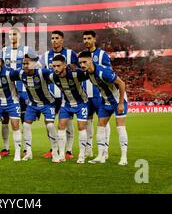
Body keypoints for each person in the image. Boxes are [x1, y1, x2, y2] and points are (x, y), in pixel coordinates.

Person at [78, 51, 129, 166]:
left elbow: (122, 84)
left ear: (91, 60)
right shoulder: (88, 73)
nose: (82, 65)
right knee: (100, 128)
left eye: (84, 62)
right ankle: (101, 156)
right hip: (105, 102)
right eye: (80, 63)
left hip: (117, 101)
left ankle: (124, 157)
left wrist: (121, 103)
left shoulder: (103, 71)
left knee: (120, 127)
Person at [40, 30, 78, 160]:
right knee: (48, 123)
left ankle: (68, 150)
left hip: (65, 95)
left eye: (57, 38)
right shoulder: (45, 55)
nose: (54, 40)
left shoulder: (70, 54)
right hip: (49, 95)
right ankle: (53, 148)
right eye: (52, 38)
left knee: (67, 123)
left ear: (62, 40)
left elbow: (77, 70)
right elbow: (39, 71)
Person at [0, 27, 36, 157]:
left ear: (20, 36)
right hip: (7, 91)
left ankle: (27, 148)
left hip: (24, 90)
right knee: (5, 120)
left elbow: (36, 65)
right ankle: (5, 148)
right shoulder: (3, 51)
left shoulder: (27, 50)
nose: (12, 37)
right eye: (9, 35)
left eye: (14, 34)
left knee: (24, 120)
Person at [48, 55, 89, 164]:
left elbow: (89, 73)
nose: (56, 68)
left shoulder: (76, 74)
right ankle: (62, 154)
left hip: (81, 103)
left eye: (58, 66)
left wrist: (78, 68)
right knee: (61, 126)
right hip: (66, 104)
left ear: (65, 65)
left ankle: (81, 155)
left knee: (81, 127)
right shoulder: (53, 77)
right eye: (54, 66)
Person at [20, 54, 59, 162]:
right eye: (24, 63)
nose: (25, 66)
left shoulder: (43, 72)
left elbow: (56, 76)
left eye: (27, 63)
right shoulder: (21, 74)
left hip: (48, 103)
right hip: (33, 104)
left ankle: (55, 152)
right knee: (26, 125)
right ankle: (28, 152)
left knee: (50, 125)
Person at [82, 30, 112, 159]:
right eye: (84, 39)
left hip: (100, 95)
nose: (86, 41)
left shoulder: (103, 55)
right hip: (85, 95)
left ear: (95, 39)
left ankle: (105, 149)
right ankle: (89, 149)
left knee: (103, 122)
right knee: (87, 122)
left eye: (89, 38)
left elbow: (108, 73)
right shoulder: (81, 56)